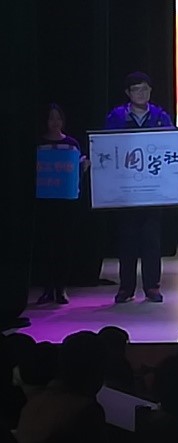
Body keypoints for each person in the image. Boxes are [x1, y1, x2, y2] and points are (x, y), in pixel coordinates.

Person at [103, 71, 178, 303]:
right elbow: (105, 148)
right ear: (128, 93)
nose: (141, 93)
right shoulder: (116, 117)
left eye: (145, 89)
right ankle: (126, 288)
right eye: (136, 89)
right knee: (127, 241)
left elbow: (172, 146)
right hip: (126, 190)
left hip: (153, 192)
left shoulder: (160, 116)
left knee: (152, 241)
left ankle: (152, 287)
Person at [33, 104, 89, 305]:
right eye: (51, 118)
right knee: (46, 246)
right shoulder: (38, 143)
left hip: (66, 204)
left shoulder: (72, 144)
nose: (55, 122)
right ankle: (47, 288)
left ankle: (61, 288)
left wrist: (83, 168)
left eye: (58, 118)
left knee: (64, 245)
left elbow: (75, 174)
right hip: (45, 203)